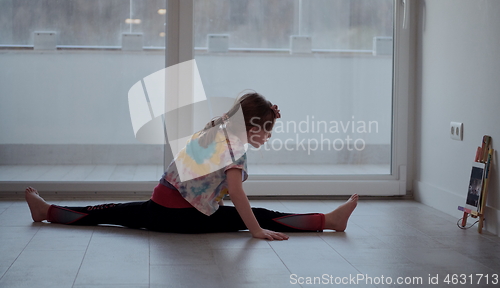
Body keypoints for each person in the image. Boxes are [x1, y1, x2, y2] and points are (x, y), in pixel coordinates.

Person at [25, 92, 358, 241]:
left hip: (159, 205)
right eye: (267, 130)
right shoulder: (235, 148)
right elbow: (238, 195)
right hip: (182, 217)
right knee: (263, 214)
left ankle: (48, 212)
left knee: (107, 211)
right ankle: (329, 220)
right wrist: (254, 229)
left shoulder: (215, 129)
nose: (268, 138)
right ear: (252, 125)